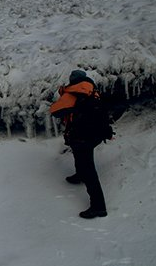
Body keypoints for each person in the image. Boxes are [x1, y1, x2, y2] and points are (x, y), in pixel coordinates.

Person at [50, 70, 107, 219]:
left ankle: (98, 207)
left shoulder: (73, 93)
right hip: (95, 134)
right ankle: (80, 175)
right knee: (80, 155)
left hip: (82, 136)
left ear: (73, 80)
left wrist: (63, 97)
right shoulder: (92, 91)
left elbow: (55, 111)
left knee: (89, 170)